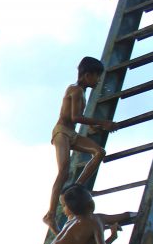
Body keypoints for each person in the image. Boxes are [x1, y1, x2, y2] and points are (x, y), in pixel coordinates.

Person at [43, 57, 116, 234]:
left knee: (99, 152)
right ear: (87, 75)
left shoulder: (82, 92)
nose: (98, 80)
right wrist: (103, 122)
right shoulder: (74, 90)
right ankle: (51, 214)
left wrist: (94, 126)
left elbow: (78, 117)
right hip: (62, 132)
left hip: (72, 134)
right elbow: (75, 117)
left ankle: (77, 186)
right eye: (97, 76)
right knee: (64, 171)